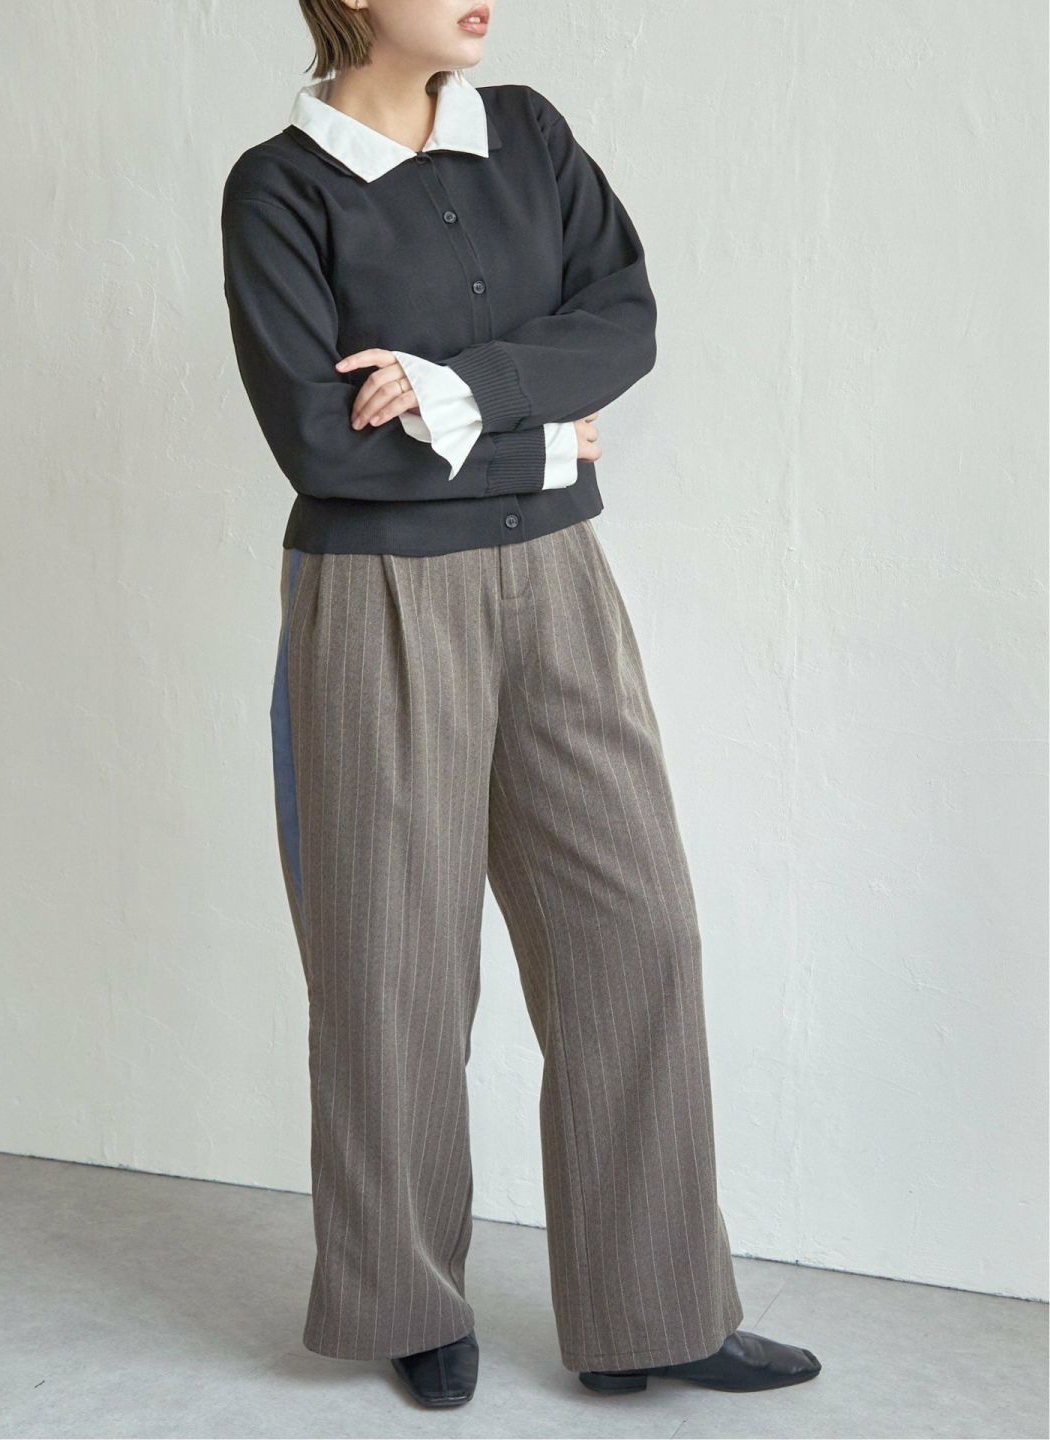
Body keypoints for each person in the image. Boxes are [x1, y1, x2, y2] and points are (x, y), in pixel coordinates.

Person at [220, 0, 822, 1410]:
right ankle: (402, 1299)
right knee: (393, 962)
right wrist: (546, 437)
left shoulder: (532, 136)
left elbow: (622, 318)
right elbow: (319, 439)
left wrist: (457, 394)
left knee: (637, 928)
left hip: (558, 581)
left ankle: (653, 1310)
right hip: (377, 598)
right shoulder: (280, 187)